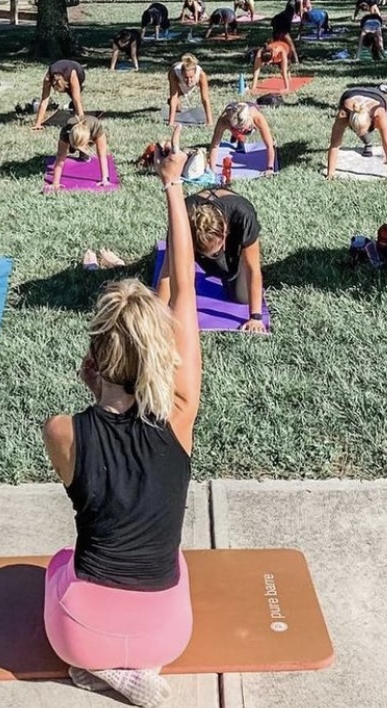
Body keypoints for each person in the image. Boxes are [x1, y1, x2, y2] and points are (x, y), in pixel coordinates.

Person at [42, 148, 200, 703]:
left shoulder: (61, 431)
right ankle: (135, 664)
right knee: (171, 559)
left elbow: (100, 466)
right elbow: (184, 286)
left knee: (59, 563)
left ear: (92, 360)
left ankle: (96, 664)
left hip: (77, 632)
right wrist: (172, 186)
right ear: (159, 356)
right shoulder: (180, 411)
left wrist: (95, 393)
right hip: (168, 635)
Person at [155, 182, 265, 335]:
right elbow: (168, 271)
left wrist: (256, 316)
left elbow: (253, 269)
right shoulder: (184, 217)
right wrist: (156, 316)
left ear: (225, 232)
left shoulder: (243, 216)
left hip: (232, 252)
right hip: (195, 235)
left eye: (214, 252)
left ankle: (228, 270)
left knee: (242, 297)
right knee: (177, 295)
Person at [325, 86, 387, 179]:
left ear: (371, 121)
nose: (358, 134)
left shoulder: (379, 115)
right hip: (351, 93)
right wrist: (330, 173)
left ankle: (368, 142)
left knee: (378, 136)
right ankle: (368, 143)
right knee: (356, 133)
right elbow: (335, 144)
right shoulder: (344, 114)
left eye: (363, 130)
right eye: (356, 130)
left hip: (376, 95)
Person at [205, 101, 277, 174]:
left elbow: (269, 145)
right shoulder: (223, 121)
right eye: (236, 128)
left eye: (243, 128)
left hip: (250, 115)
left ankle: (239, 136)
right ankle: (236, 136)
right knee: (237, 133)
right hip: (233, 114)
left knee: (244, 133)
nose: (241, 130)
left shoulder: (257, 117)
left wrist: (270, 168)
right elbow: (214, 146)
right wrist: (212, 169)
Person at [47, 116, 112, 192]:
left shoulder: (96, 128)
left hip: (90, 130)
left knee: (85, 156)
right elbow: (60, 156)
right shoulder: (65, 132)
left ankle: (83, 153)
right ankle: (74, 148)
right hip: (72, 136)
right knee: (68, 151)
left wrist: (105, 179)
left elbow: (102, 155)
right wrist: (55, 182)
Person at [33, 60, 87, 129]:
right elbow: (44, 101)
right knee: (73, 99)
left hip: (78, 70)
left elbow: (77, 101)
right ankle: (72, 107)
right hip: (63, 69)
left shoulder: (72, 74)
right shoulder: (47, 78)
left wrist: (82, 122)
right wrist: (38, 124)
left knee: (75, 97)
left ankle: (78, 114)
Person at [166, 54, 213, 131]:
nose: (189, 80)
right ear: (182, 74)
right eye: (186, 77)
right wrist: (171, 123)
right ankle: (176, 102)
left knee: (178, 104)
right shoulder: (174, 73)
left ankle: (176, 102)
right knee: (175, 101)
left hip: (188, 79)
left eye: (191, 77)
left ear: (195, 74)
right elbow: (173, 97)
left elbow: (205, 99)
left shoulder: (201, 74)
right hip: (174, 72)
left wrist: (210, 122)